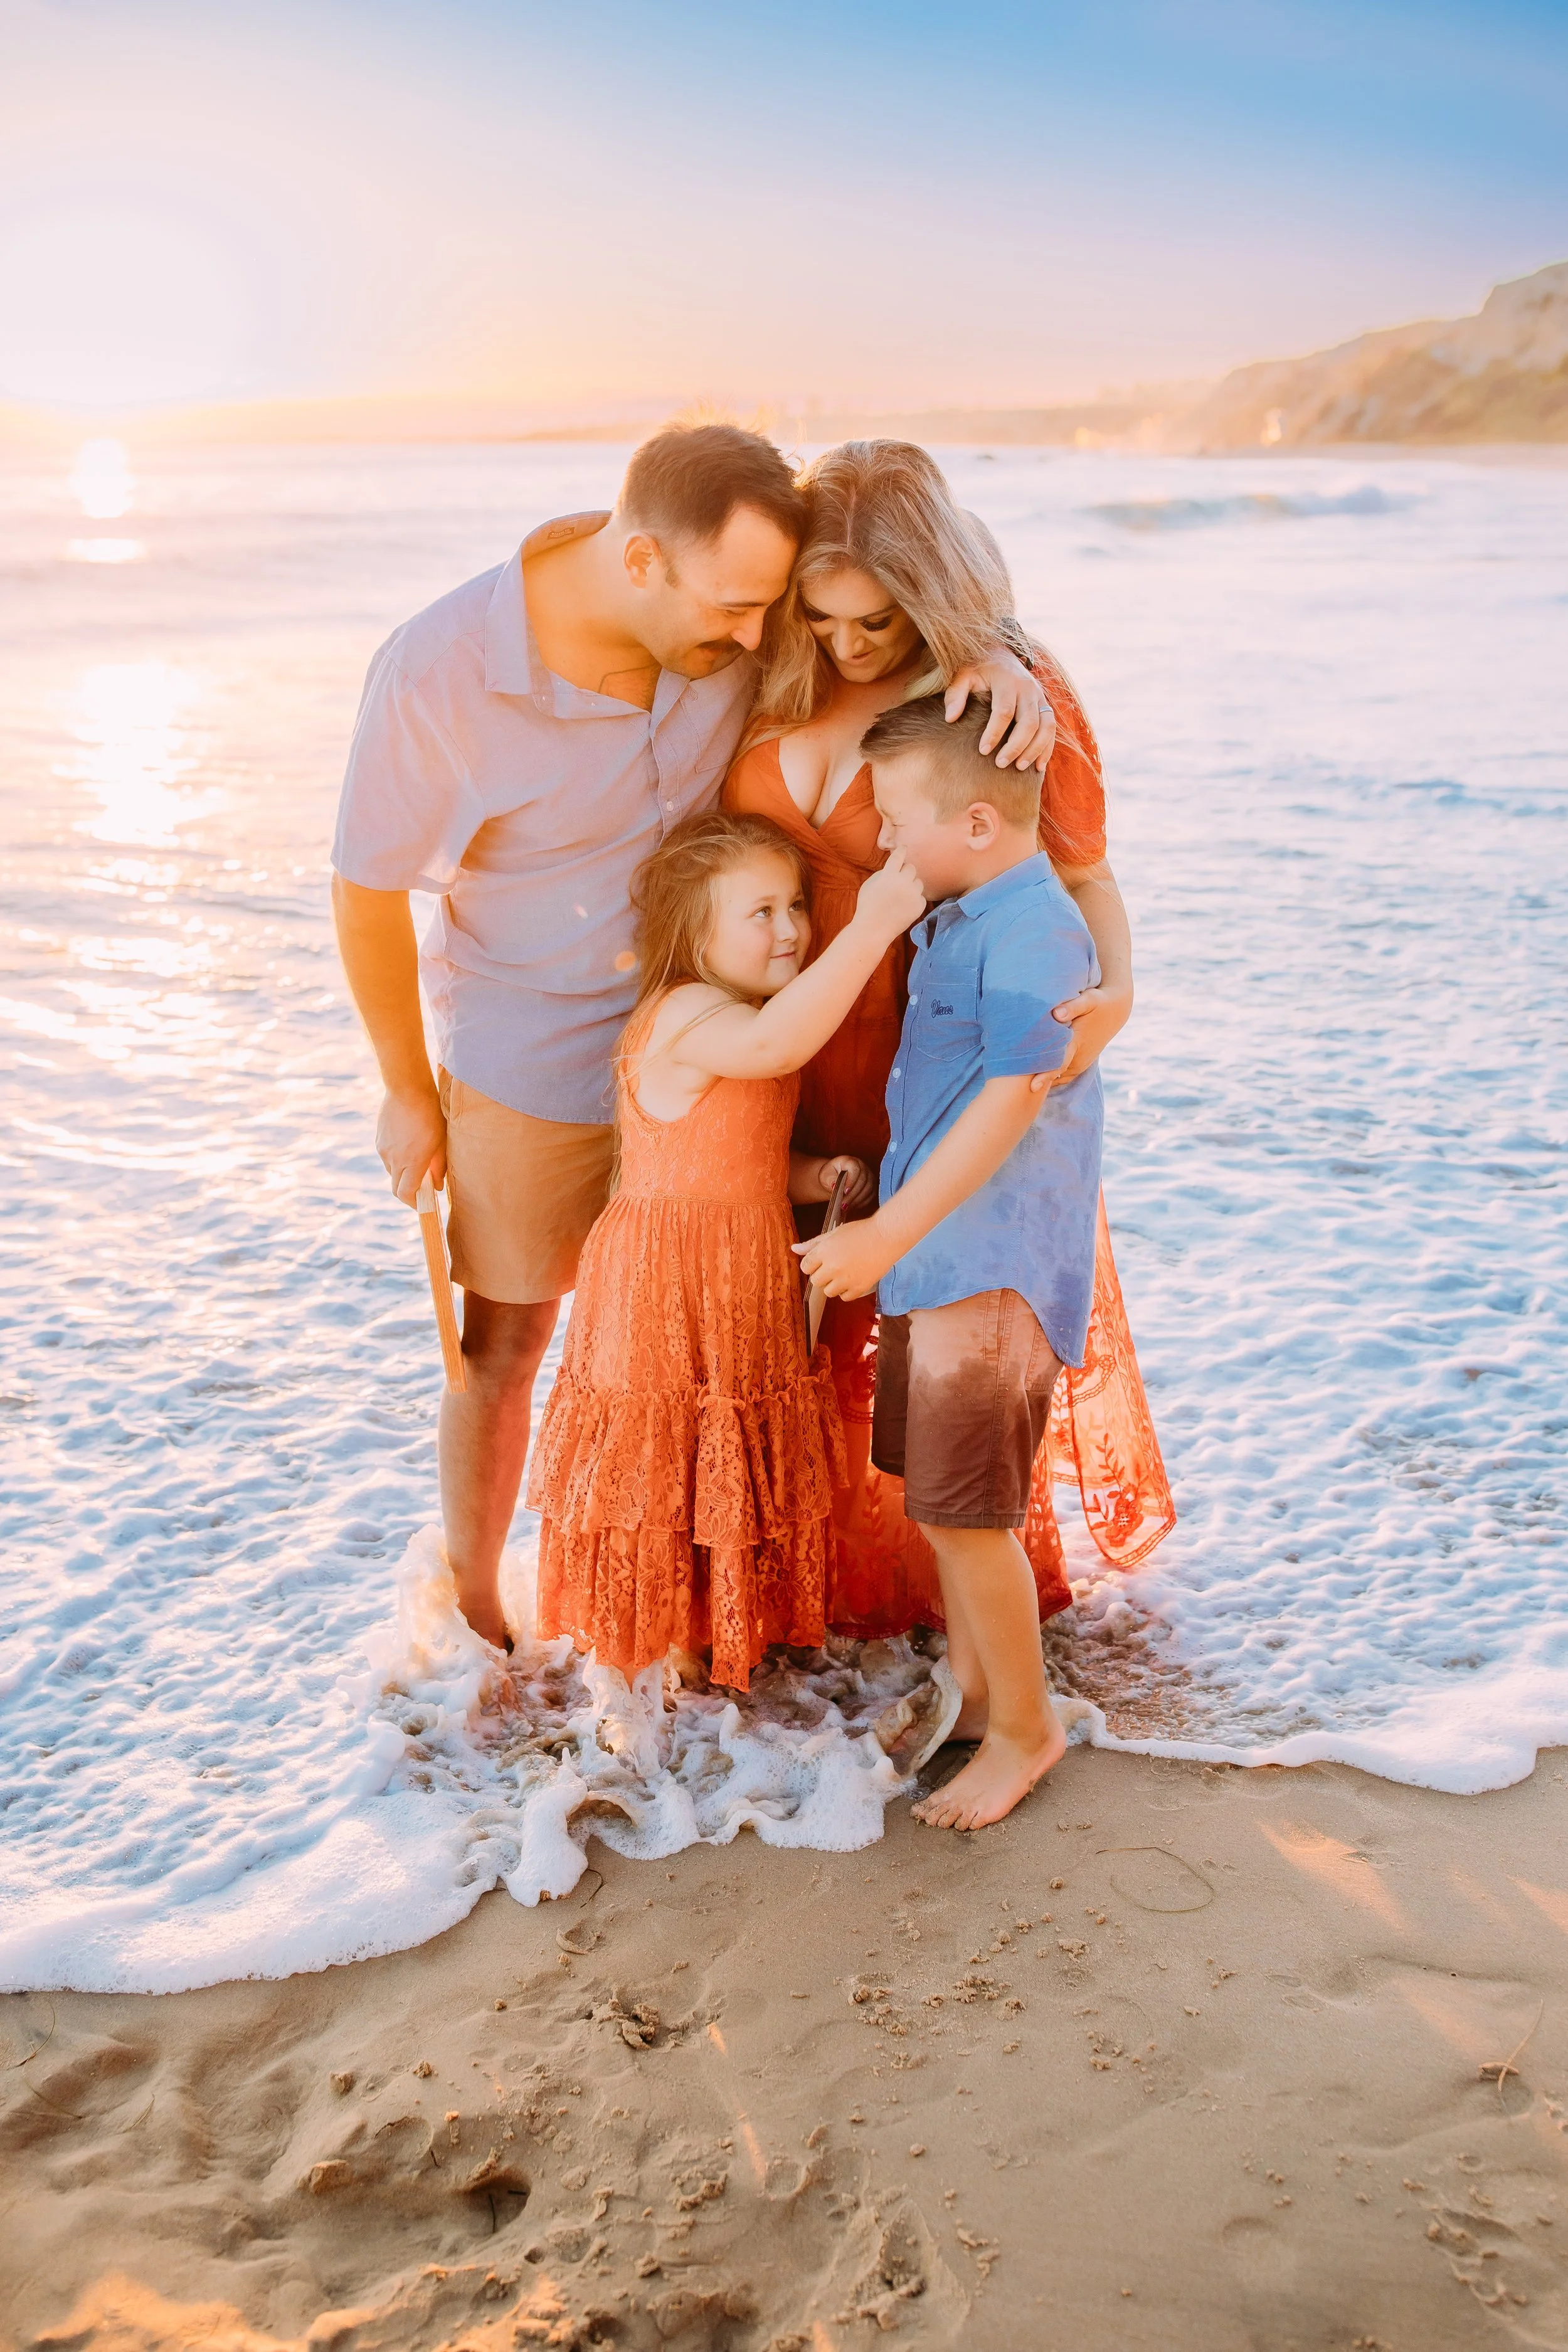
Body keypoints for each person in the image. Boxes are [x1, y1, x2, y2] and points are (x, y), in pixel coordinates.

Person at [331, 423, 1054, 1650]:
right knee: (512, 1337)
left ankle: (716, 1606)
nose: (752, 638)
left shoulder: (732, 603)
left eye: (760, 609)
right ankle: (481, 1627)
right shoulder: (438, 672)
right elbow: (364, 886)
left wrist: (1004, 652)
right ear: (643, 565)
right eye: (734, 610)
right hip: (533, 1054)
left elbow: (885, 602)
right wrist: (405, 1085)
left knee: (722, 1339)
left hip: (733, 1043)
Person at [722, 440, 1173, 1639]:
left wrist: (1118, 992)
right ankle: (799, 1626)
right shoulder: (765, 666)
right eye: (822, 617)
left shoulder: (998, 702)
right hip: (776, 1059)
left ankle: (959, 1653)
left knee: (936, 1379)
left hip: (931, 1071)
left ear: (930, 592)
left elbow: (1084, 881)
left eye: (876, 620)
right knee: (784, 1353)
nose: (848, 645)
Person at [526, 811, 925, 1688]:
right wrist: (871, 925)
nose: (789, 929)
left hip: (736, 1265)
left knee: (724, 1449)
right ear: (694, 930)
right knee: (669, 1452)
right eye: (761, 912)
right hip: (667, 1279)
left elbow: (729, 1151)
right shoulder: (687, 1012)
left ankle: (713, 1632)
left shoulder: (738, 1013)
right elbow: (778, 1044)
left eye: (797, 906)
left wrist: (815, 1175)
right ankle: (655, 1650)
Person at [798, 694, 1101, 1827]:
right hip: (938, 1261)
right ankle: (977, 1692)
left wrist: (885, 1231)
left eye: (893, 821)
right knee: (940, 1504)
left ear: (977, 824)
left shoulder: (1032, 928)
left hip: (988, 1267)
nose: (881, 842)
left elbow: (1015, 1097)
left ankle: (1030, 1729)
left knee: (974, 1515)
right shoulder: (961, 912)